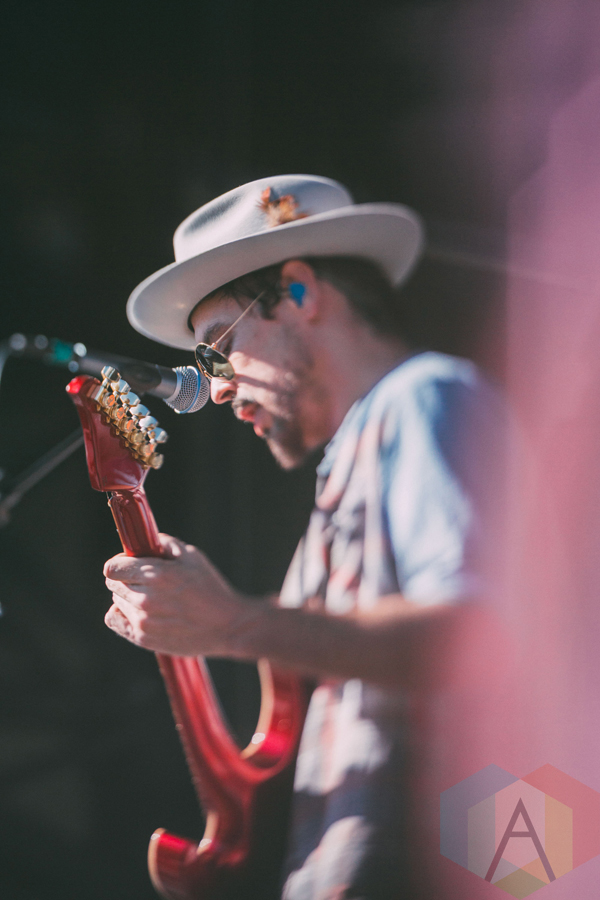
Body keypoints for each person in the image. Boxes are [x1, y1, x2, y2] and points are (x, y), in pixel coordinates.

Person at [103, 175, 504, 899]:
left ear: (299, 291)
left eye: (220, 348)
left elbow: (476, 642)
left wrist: (231, 622)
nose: (216, 389)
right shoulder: (347, 474)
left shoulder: (423, 397)